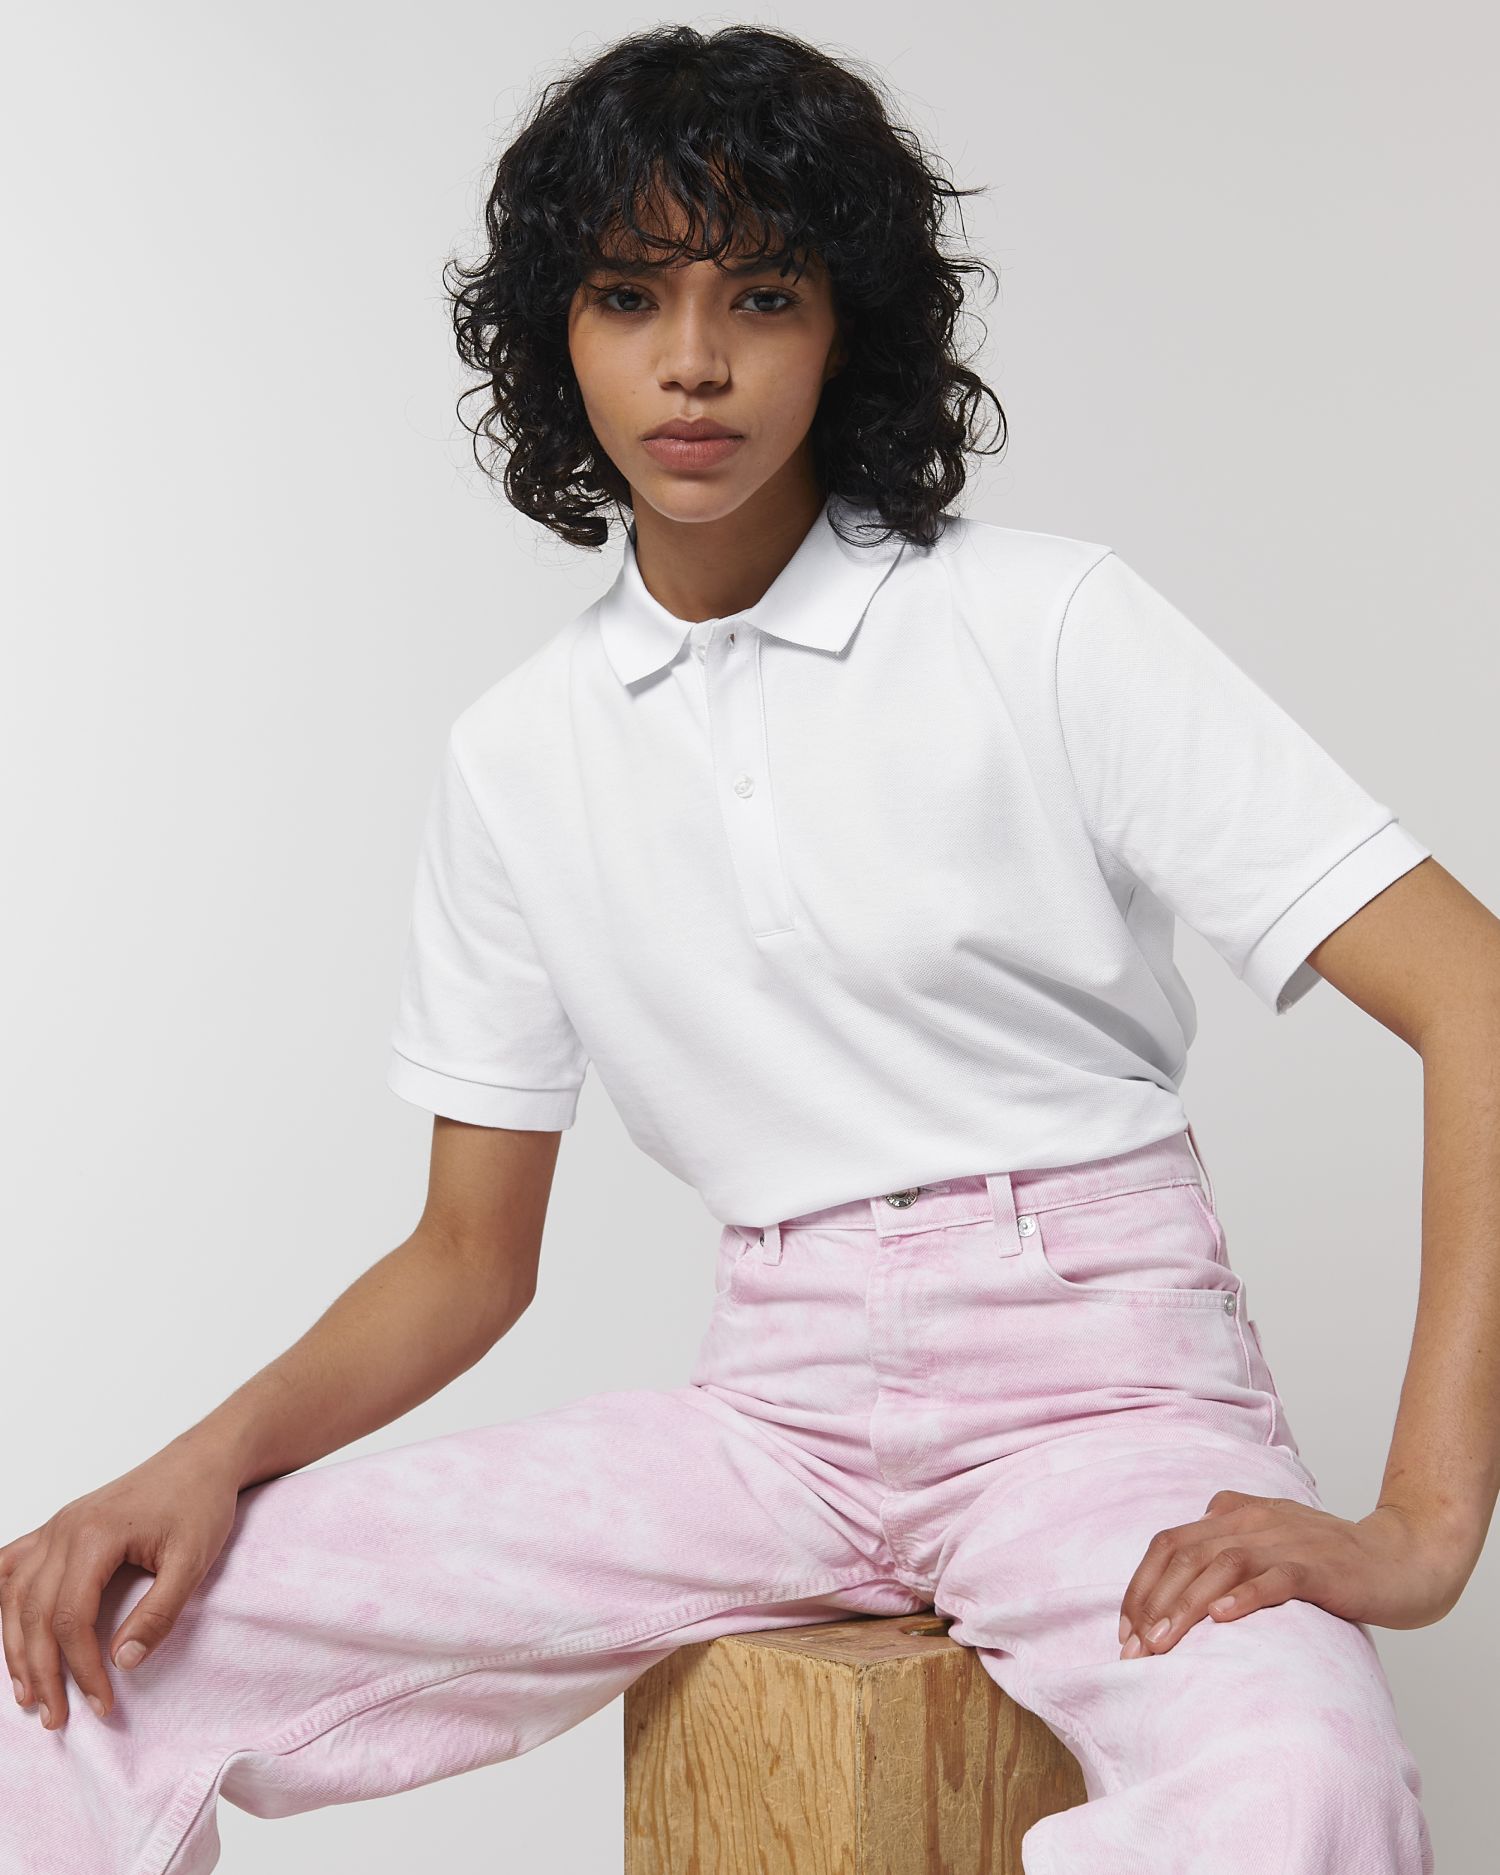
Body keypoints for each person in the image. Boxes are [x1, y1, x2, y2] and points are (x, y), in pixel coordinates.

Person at [2, 23, 1491, 1874]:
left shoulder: (1042, 624)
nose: (693, 361)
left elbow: (1476, 996)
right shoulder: (519, 755)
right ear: (556, 333)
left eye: (762, 296)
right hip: (771, 1419)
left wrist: (1428, 1522)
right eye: (630, 296)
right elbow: (467, 1256)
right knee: (64, 1662)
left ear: (846, 328)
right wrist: (198, 1461)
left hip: (1101, 1390)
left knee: (1303, 1792)